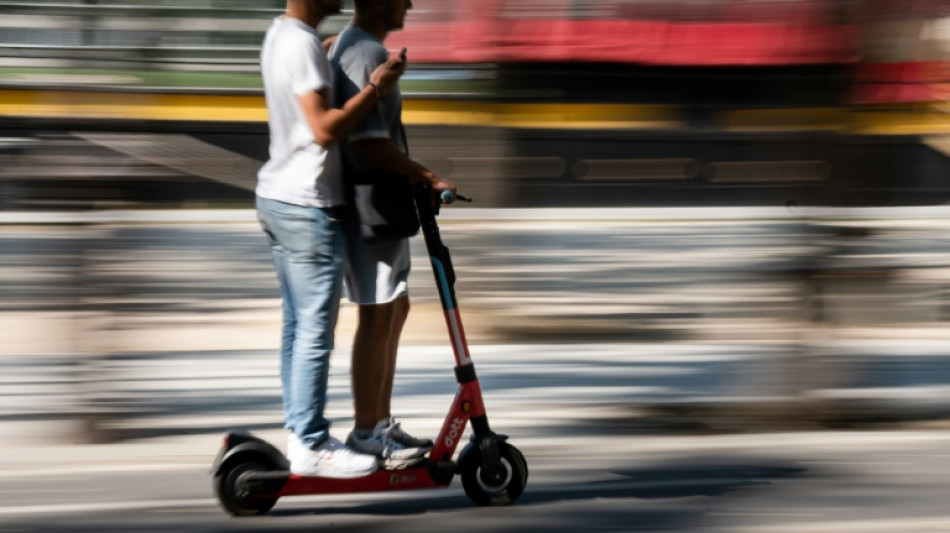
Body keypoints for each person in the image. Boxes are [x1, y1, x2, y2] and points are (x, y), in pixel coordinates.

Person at [255, 0, 407, 479]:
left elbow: (305, 72)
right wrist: (376, 88)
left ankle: (300, 432)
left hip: (277, 197)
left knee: (297, 328)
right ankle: (312, 443)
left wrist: (334, 48)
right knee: (314, 333)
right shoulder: (301, 44)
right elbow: (323, 130)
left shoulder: (281, 35)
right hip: (308, 205)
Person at [328, 0, 457, 469]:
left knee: (394, 308)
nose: (410, 4)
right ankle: (367, 431)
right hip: (370, 203)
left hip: (378, 202)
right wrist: (427, 175)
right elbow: (367, 142)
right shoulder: (364, 52)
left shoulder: (356, 46)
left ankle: (378, 423)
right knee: (377, 312)